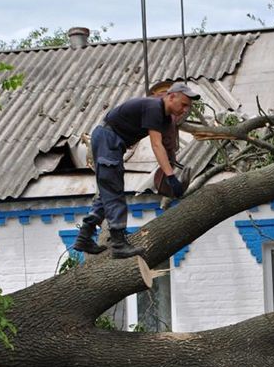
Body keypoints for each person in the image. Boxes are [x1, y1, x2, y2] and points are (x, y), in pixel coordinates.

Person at [71, 83, 200, 258]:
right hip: (108, 140)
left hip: (110, 142)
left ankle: (84, 236)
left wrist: (172, 171)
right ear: (171, 97)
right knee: (114, 191)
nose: (185, 110)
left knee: (107, 191)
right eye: (183, 104)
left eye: (188, 107)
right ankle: (118, 244)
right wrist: (170, 177)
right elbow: (156, 145)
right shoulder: (155, 107)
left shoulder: (164, 117)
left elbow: (166, 146)